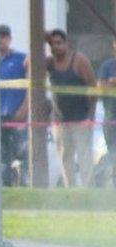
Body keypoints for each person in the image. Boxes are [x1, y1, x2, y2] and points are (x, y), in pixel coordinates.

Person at [47, 29, 96, 188]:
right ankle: (70, 191)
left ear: (67, 44)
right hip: (59, 120)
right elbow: (28, 62)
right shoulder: (49, 62)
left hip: (81, 118)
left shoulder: (79, 60)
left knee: (84, 157)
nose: (56, 47)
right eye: (52, 44)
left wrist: (91, 116)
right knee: (64, 156)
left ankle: (89, 191)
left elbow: (92, 88)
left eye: (59, 43)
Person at [0, 25, 28, 187]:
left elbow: (32, 86)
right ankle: (5, 187)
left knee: (20, 153)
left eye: (4, 36)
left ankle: (22, 187)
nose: (1, 39)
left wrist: (24, 109)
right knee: (2, 156)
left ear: (9, 39)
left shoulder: (21, 59)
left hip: (16, 115)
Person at [97, 37, 116, 188]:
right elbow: (100, 87)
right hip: (111, 119)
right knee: (113, 154)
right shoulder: (107, 66)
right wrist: (110, 82)